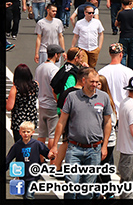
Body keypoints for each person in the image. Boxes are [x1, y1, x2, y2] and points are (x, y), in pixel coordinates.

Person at [50, 67, 113, 199]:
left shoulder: (104, 97)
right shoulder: (72, 97)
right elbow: (61, 122)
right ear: (84, 80)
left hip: (94, 149)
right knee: (71, 183)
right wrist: (55, 145)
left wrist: (105, 145)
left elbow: (107, 123)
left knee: (87, 188)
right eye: (92, 81)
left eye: (96, 82)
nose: (95, 84)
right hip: (74, 148)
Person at [5, 121, 55, 199]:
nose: (26, 134)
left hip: (34, 174)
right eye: (23, 131)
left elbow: (46, 153)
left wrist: (51, 156)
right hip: (22, 175)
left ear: (32, 132)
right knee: (24, 195)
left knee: (29, 196)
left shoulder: (37, 144)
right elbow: (8, 159)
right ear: (20, 132)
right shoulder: (17, 146)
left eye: (28, 132)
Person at [35, 44, 63, 147]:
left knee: (41, 134)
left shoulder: (40, 67)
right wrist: (57, 101)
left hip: (42, 103)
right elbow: (54, 87)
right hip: (51, 104)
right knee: (53, 135)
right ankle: (52, 160)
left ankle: (40, 158)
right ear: (56, 55)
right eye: (59, 54)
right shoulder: (54, 69)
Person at [95, 74, 118, 196]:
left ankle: (109, 193)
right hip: (97, 140)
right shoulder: (94, 98)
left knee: (103, 169)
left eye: (99, 84)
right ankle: (99, 192)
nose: (96, 86)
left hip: (107, 141)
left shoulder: (107, 100)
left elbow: (112, 122)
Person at [6, 63, 39, 143]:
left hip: (19, 121)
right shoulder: (35, 85)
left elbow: (9, 107)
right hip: (30, 119)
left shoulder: (15, 89)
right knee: (29, 142)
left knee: (19, 144)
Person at [71, 3, 104, 68]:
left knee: (92, 68)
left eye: (92, 13)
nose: (91, 14)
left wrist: (99, 47)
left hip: (94, 48)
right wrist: (72, 47)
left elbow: (101, 34)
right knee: (84, 67)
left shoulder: (97, 22)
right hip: (82, 48)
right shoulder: (79, 23)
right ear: (85, 13)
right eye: (89, 13)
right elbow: (75, 36)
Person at [115, 0, 133, 70]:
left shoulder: (121, 13)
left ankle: (123, 69)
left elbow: (116, 23)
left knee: (123, 54)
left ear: (122, 4)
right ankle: (131, 70)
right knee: (132, 54)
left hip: (124, 35)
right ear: (129, 4)